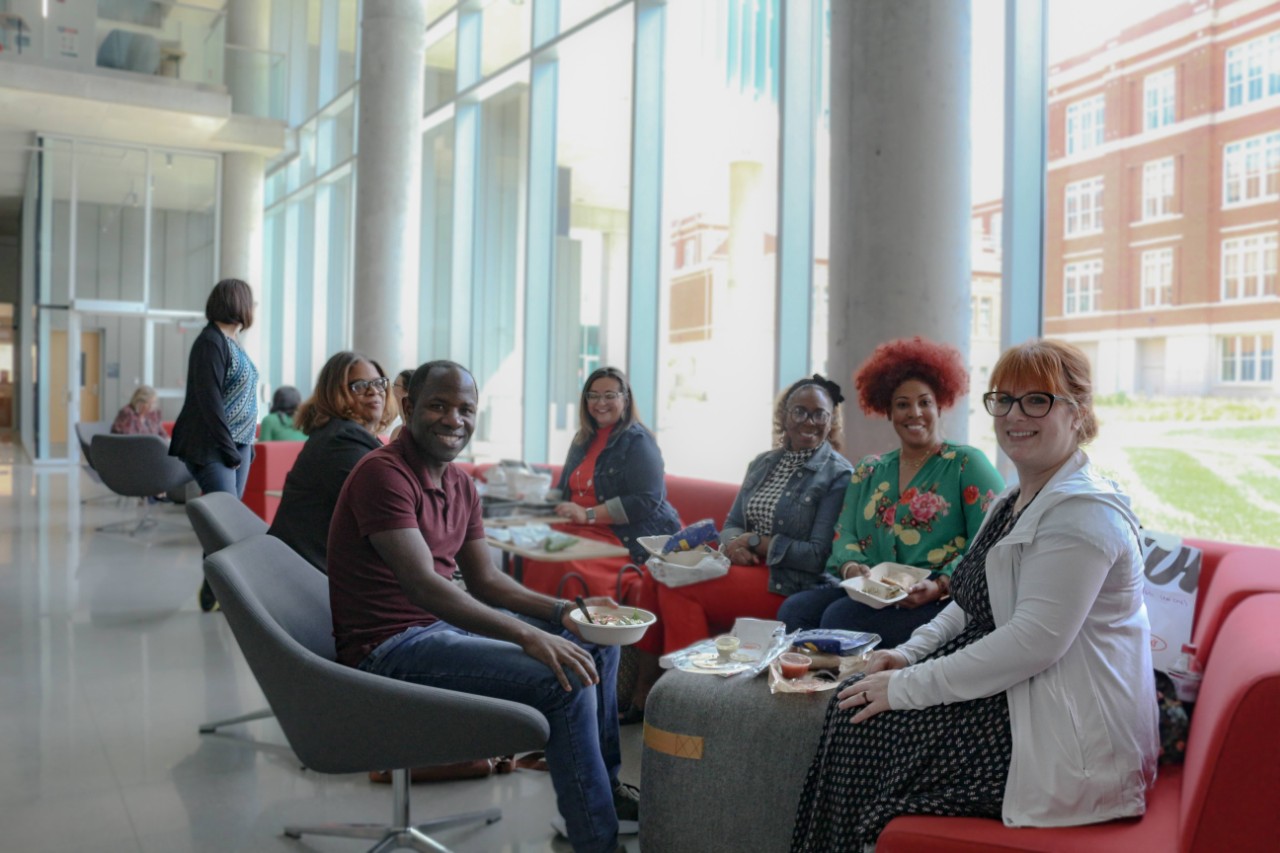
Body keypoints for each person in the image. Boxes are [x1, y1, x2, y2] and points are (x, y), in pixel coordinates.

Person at [790, 339, 1157, 850]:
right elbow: (966, 602)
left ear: (1077, 413)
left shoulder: (1082, 516)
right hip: (1020, 697)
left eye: (1037, 400)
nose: (1014, 414)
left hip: (1064, 740)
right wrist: (905, 655)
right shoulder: (1014, 499)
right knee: (852, 705)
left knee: (861, 729)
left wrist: (906, 687)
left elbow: (1032, 643)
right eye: (1003, 399)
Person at [327, 360, 636, 853]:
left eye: (465, 409)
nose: (454, 419)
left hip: (438, 629)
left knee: (594, 639)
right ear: (407, 408)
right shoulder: (381, 475)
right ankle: (597, 842)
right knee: (566, 678)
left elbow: (487, 581)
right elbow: (425, 587)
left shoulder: (461, 484)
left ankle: (604, 789)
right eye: (438, 406)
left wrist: (565, 613)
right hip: (388, 649)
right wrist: (529, 636)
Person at [626, 375, 853, 720]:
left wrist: (753, 542)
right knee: (651, 572)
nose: (809, 422)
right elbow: (731, 523)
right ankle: (646, 693)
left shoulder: (838, 474)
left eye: (819, 414)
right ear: (784, 416)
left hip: (788, 581)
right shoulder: (762, 463)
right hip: (743, 569)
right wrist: (734, 543)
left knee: (678, 589)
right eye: (800, 412)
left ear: (830, 420)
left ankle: (690, 705)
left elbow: (816, 555)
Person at [778, 337, 1003, 647]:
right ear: (888, 411)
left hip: (940, 599)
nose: (914, 412)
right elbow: (843, 535)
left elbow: (991, 541)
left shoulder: (966, 464)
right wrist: (852, 567)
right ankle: (806, 690)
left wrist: (940, 585)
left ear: (940, 405)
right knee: (795, 610)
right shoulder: (869, 470)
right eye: (902, 404)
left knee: (840, 620)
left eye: (924, 402)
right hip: (873, 593)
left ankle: (847, 693)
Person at [520, 366, 682, 599]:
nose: (600, 402)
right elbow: (563, 489)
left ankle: (572, 629)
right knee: (533, 549)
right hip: (578, 528)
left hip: (621, 534)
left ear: (625, 399)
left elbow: (646, 500)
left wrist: (588, 514)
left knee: (565, 563)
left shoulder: (638, 441)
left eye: (609, 395)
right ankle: (533, 626)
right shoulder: (582, 439)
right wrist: (533, 500)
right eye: (593, 395)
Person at [169, 278, 259, 612]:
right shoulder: (210, 342)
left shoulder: (232, 341)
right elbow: (209, 403)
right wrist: (229, 450)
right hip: (216, 448)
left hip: (240, 445)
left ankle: (215, 590)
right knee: (225, 524)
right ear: (237, 304)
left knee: (226, 522)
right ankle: (221, 591)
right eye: (251, 303)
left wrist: (245, 446)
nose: (254, 310)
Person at [267, 353, 394, 573]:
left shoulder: (348, 435)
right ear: (335, 392)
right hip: (308, 575)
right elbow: (386, 514)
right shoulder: (341, 442)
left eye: (378, 383)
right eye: (360, 385)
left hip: (315, 567)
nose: (374, 391)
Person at [388, 369, 413, 440]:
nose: (391, 389)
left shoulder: (400, 432)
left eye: (395, 385)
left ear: (407, 391)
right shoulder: (397, 430)